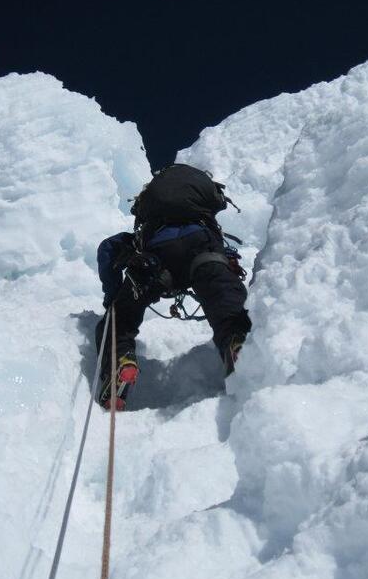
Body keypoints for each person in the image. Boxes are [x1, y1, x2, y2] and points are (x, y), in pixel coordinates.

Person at [95, 163, 251, 409]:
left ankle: (120, 361)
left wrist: (113, 299)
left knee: (120, 318)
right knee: (222, 294)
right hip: (201, 244)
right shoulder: (200, 196)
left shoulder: (151, 214)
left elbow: (107, 248)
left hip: (155, 258)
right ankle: (236, 339)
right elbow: (218, 204)